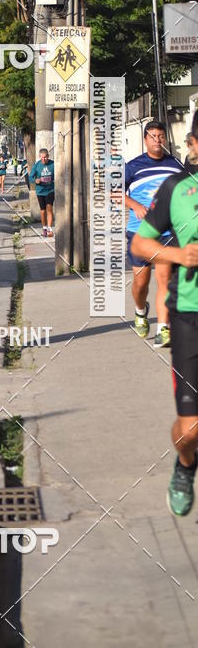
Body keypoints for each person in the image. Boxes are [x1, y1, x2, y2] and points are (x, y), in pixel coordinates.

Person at [131, 111, 198, 515]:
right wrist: (178, 254)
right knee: (190, 430)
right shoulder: (177, 188)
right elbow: (141, 244)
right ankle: (186, 463)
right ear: (193, 143)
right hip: (190, 315)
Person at [125, 121, 184, 346]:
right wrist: (135, 206)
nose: (157, 140)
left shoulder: (175, 165)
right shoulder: (133, 166)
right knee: (141, 282)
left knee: (165, 280)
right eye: (153, 136)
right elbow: (115, 192)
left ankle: (163, 329)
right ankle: (141, 310)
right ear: (145, 139)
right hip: (139, 233)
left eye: (160, 136)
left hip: (167, 232)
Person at [29, 148, 55, 237]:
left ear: (48, 156)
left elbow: (58, 174)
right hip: (40, 191)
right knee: (43, 211)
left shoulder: (53, 164)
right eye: (42, 158)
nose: (44, 159)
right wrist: (35, 180)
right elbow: (30, 177)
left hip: (50, 189)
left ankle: (50, 228)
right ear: (40, 157)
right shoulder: (37, 165)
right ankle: (44, 227)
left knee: (49, 208)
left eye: (45, 157)